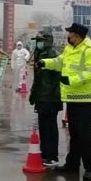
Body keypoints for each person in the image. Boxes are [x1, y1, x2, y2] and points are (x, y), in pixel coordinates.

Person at [37, 23, 91, 181]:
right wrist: (46, 63)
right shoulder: (70, 48)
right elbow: (60, 62)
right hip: (72, 97)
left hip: (85, 98)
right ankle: (72, 165)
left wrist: (71, 80)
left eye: (70, 34)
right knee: (74, 134)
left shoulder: (90, 50)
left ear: (77, 36)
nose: (68, 37)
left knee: (84, 135)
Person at [28, 31, 63, 167]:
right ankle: (44, 153)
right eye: (37, 41)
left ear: (47, 41)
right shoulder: (39, 54)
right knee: (43, 126)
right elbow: (38, 79)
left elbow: (57, 78)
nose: (38, 43)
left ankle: (52, 156)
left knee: (50, 127)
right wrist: (34, 94)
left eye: (40, 41)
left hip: (50, 97)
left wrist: (53, 96)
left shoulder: (52, 54)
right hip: (42, 96)